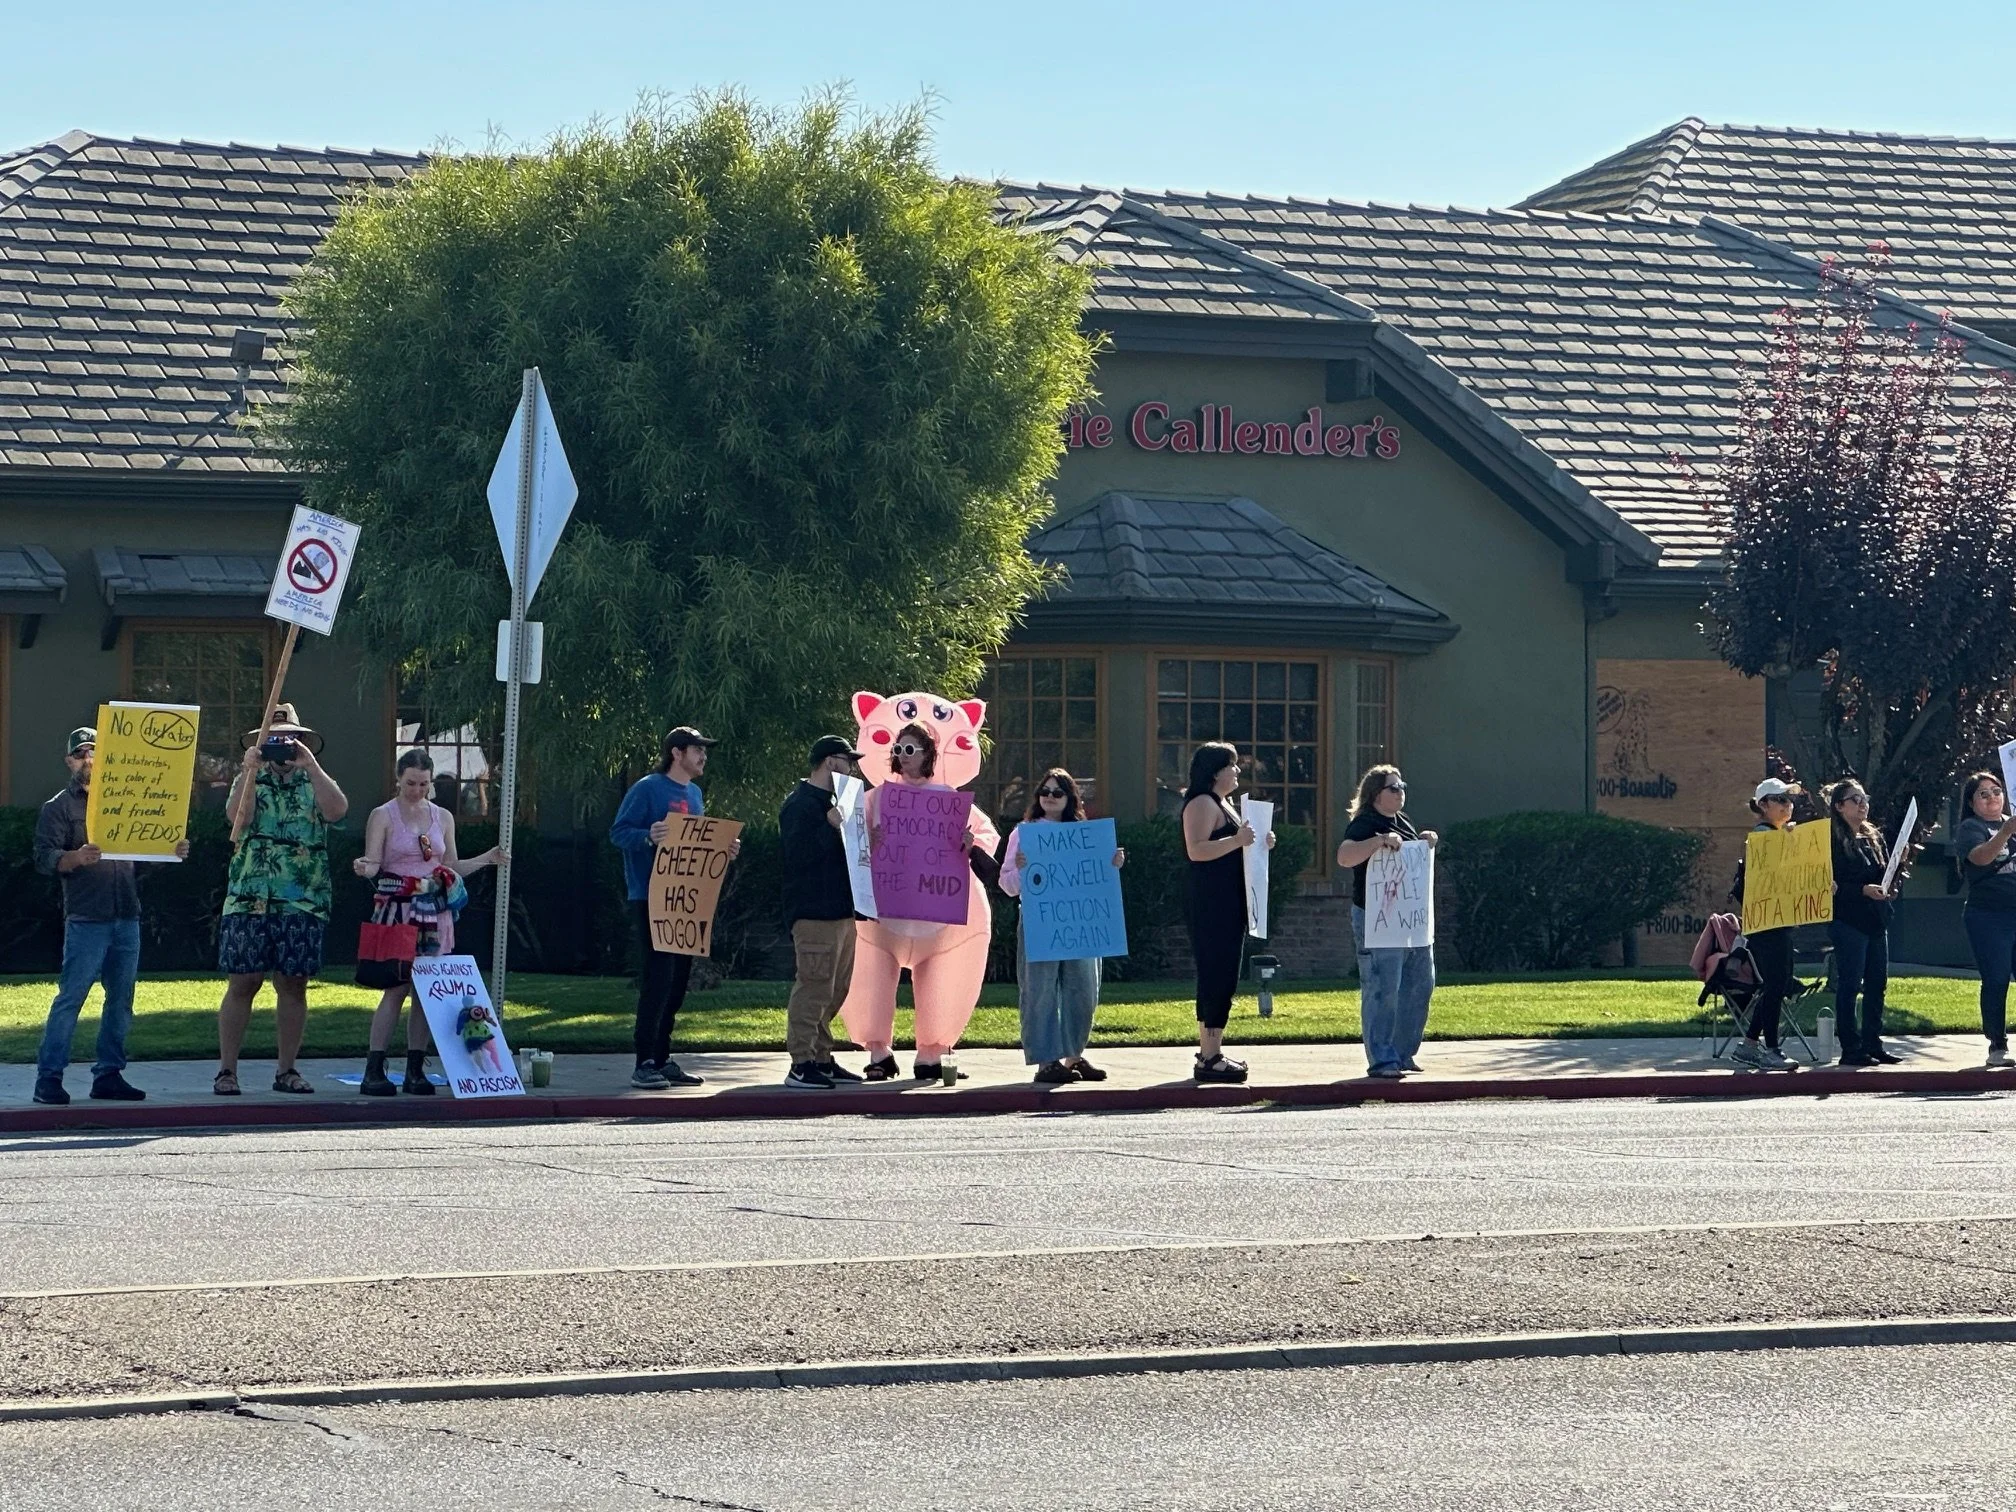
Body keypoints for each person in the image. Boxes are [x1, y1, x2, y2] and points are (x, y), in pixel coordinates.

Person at [837, 689, 999, 1082]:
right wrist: (867, 842)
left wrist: (969, 842)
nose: (905, 756)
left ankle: (932, 1051)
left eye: (912, 749)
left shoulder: (952, 803)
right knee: (868, 976)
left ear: (929, 753)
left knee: (948, 976)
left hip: (944, 917)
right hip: (881, 916)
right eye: (901, 748)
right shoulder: (875, 800)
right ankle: (878, 1051)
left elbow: (986, 838)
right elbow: (847, 840)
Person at [30, 725, 191, 1104]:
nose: (90, 759)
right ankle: (48, 1079)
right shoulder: (58, 808)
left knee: (121, 1000)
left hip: (126, 916)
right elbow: (43, 857)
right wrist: (76, 857)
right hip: (86, 918)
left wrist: (170, 852)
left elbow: (143, 864)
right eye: (83, 753)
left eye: (96, 753)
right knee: (71, 998)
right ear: (70, 760)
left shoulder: (127, 800)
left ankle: (109, 1075)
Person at [350, 749, 506, 1096]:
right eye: (410, 783)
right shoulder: (383, 815)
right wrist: (365, 866)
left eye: (423, 783)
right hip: (398, 910)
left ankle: (415, 1070)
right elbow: (375, 862)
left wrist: (487, 859)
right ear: (398, 780)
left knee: (426, 993)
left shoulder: (443, 817)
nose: (417, 790)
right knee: (396, 988)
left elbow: (449, 866)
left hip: (436, 913)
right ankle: (374, 1069)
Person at [214, 704, 348, 1096]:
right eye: (273, 740)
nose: (281, 747)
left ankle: (286, 1070)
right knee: (243, 981)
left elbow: (337, 811)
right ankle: (227, 1072)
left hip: (302, 899)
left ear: (301, 742)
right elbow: (237, 819)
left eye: (289, 738)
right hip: (249, 896)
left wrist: (311, 766)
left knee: (293, 984)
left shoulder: (314, 780)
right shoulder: (251, 777)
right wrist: (249, 770)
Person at [610, 726, 740, 1090]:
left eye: (705, 751)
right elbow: (618, 833)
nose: (703, 757)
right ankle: (644, 1061)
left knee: (679, 981)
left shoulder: (695, 794)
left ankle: (663, 1057)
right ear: (676, 753)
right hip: (651, 896)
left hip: (687, 901)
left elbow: (695, 846)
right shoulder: (648, 788)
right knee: (658, 977)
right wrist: (647, 835)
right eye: (698, 750)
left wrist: (723, 849)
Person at [1000, 768, 1126, 1084]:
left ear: (1070, 798)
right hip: (1039, 924)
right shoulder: (1024, 832)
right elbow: (1008, 886)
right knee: (1040, 991)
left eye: (1058, 793)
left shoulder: (1085, 835)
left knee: (1084, 989)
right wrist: (1020, 869)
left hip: (1081, 923)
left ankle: (1074, 1055)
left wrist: (1112, 866)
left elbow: (1096, 884)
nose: (1050, 797)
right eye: (1045, 791)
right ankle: (1046, 1061)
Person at [1335, 764, 1438, 1079]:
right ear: (1375, 794)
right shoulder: (1366, 824)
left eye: (1402, 786)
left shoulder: (1402, 821)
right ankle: (1382, 1058)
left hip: (1410, 922)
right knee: (1383, 987)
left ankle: (1403, 1054)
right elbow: (1344, 856)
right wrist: (1378, 841)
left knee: (1420, 984)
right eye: (1393, 787)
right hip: (1377, 919)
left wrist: (1423, 841)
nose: (1400, 791)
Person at [1181, 742, 1274, 1085]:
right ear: (1215, 770)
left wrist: (1260, 841)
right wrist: (1237, 841)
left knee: (1224, 974)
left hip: (1231, 899)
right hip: (1211, 901)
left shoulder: (1225, 804)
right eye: (1232, 766)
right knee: (1216, 972)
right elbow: (1197, 850)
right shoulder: (1202, 803)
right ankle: (1210, 1056)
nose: (1237, 771)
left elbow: (1239, 843)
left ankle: (1211, 1050)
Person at [778, 735, 867, 1091]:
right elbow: (797, 858)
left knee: (836, 989)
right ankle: (800, 1063)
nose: (852, 768)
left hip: (842, 911)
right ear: (831, 762)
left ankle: (821, 1057)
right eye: (849, 761)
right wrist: (829, 827)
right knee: (814, 986)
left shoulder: (835, 804)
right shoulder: (800, 805)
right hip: (814, 913)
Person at [1726, 776, 1802, 1072]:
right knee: (1774, 984)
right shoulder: (1762, 835)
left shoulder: (1776, 834)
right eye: (1781, 800)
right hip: (1767, 925)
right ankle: (1770, 1049)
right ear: (1763, 804)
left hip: (1777, 922)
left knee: (1777, 984)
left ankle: (1748, 1045)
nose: (1788, 805)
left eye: (1789, 800)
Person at [1823, 778, 1900, 1068]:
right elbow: (1830, 884)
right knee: (1850, 984)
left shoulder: (1871, 838)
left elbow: (1881, 876)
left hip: (1875, 920)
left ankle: (1873, 1043)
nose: (1862, 805)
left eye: (1864, 799)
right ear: (1839, 806)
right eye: (1855, 800)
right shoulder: (1831, 840)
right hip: (1848, 920)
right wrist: (1861, 890)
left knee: (1877, 984)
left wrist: (1895, 870)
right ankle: (1851, 1047)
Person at [1954, 770, 2016, 1069]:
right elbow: (1980, 858)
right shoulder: (1971, 827)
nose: (1993, 797)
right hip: (1989, 916)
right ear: (1972, 802)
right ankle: (1997, 1043)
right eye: (1984, 793)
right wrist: (2005, 832)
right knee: (1997, 976)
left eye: (1997, 790)